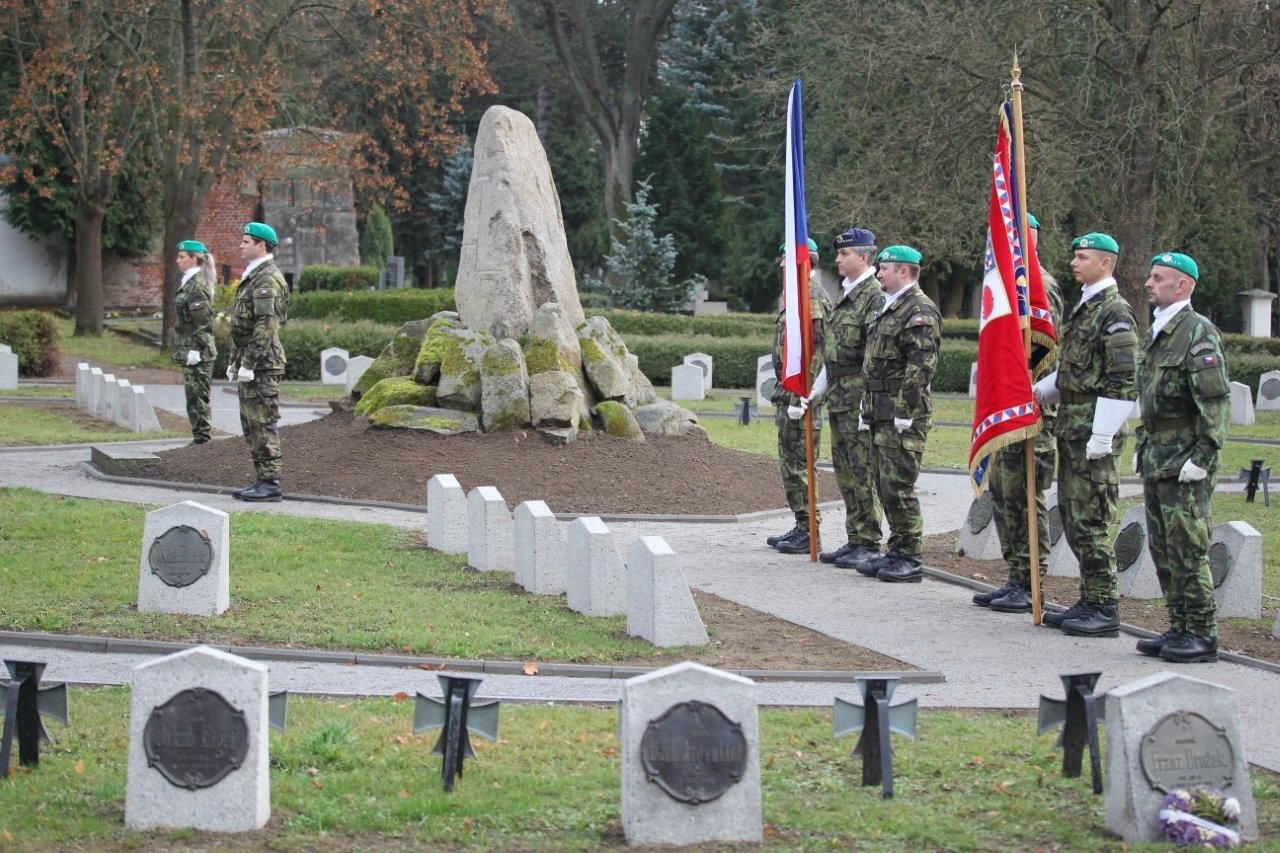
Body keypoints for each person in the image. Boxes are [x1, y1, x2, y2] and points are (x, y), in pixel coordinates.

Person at [1033, 232, 1138, 636]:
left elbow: (1122, 379)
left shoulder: (1115, 312)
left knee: (1091, 518)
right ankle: (1089, 597)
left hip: (1093, 431)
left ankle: (1104, 605)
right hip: (1073, 427)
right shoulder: (1086, 307)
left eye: (1083, 257)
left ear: (1105, 263)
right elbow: (1078, 369)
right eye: (1075, 256)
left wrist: (1103, 435)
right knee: (1075, 519)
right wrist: (1045, 389)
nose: (1074, 263)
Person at [1133, 252, 1229, 663]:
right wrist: (1142, 443)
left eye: (1159, 278)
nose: (1149, 284)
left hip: (1186, 458)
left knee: (1188, 546)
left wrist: (1204, 456)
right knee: (1162, 546)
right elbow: (1150, 397)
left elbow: (1214, 401)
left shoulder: (1197, 333)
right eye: (1151, 277)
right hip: (1158, 454)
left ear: (1183, 285)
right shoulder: (1159, 331)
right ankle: (1179, 625)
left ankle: (1202, 633)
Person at [974, 213, 1064, 612]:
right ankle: (1015, 575)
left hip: (1030, 413)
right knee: (1003, 494)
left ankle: (1031, 580)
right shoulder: (1006, 287)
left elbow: (1045, 346)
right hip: (1005, 410)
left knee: (1026, 496)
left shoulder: (1040, 286)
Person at [856, 245, 940, 583]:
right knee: (882, 482)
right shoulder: (888, 307)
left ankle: (910, 556)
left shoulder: (919, 310)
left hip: (903, 416)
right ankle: (896, 549)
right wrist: (867, 408)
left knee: (898, 485)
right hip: (879, 412)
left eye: (884, 268)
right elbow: (873, 363)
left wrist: (904, 413)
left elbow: (920, 367)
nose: (878, 273)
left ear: (904, 271)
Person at [817, 228, 886, 571]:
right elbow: (833, 352)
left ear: (863, 257)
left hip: (858, 396)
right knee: (844, 470)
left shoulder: (874, 296)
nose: (838, 260)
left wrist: (866, 402)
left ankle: (870, 540)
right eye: (838, 254)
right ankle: (855, 536)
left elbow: (872, 356)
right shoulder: (847, 295)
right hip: (839, 395)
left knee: (862, 469)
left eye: (844, 255)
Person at [767, 238, 832, 555]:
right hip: (787, 395)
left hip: (802, 398)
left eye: (786, 260)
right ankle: (801, 525)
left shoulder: (812, 299)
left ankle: (810, 531)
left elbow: (819, 352)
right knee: (790, 466)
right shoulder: (794, 297)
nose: (781, 265)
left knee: (802, 466)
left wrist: (804, 396)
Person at [228, 221, 290, 502]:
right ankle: (261, 478)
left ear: (260, 245)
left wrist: (250, 363)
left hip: (264, 363)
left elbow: (265, 326)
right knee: (250, 423)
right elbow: (241, 325)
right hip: (253, 361)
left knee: (262, 421)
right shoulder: (254, 276)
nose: (241, 245)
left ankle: (270, 482)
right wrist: (235, 360)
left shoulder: (267, 279)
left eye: (245, 241)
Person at [172, 240, 218, 445]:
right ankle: (199, 437)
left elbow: (203, 322)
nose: (177, 261)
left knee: (197, 395)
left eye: (182, 257)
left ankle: (202, 439)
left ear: (194, 258)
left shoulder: (197, 285)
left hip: (198, 349)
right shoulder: (189, 282)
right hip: (190, 346)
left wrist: (195, 349)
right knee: (193, 394)